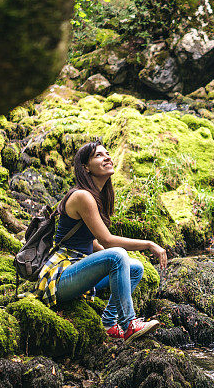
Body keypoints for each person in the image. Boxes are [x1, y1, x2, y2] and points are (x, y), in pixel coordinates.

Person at [46, 140, 166, 342]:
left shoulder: (98, 196)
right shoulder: (82, 196)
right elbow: (108, 241)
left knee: (134, 267)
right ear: (85, 167)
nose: (107, 157)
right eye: (99, 155)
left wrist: (109, 256)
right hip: (60, 278)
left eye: (107, 153)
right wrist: (148, 244)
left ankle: (109, 323)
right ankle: (129, 325)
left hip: (79, 274)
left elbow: (93, 242)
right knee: (118, 255)